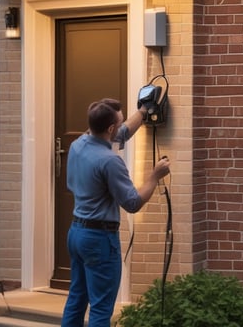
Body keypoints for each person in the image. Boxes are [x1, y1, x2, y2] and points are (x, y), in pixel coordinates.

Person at [60, 98, 171, 327]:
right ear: (109, 128)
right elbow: (132, 203)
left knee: (77, 298)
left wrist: (142, 112)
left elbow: (121, 133)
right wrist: (154, 175)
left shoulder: (79, 144)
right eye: (118, 124)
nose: (121, 127)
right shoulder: (110, 161)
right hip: (99, 240)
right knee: (101, 308)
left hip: (77, 234)